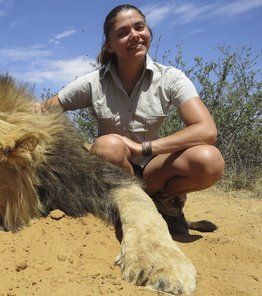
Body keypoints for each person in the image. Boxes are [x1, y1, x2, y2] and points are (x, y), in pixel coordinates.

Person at [36, 4, 225, 234]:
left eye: (139, 27)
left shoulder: (171, 78)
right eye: (123, 32)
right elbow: (50, 107)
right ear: (109, 45)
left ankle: (166, 204)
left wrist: (143, 148)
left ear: (148, 31)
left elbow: (206, 130)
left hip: (153, 169)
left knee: (209, 160)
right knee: (108, 146)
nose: (134, 35)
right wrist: (30, 108)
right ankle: (127, 208)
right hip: (114, 169)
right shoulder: (93, 82)